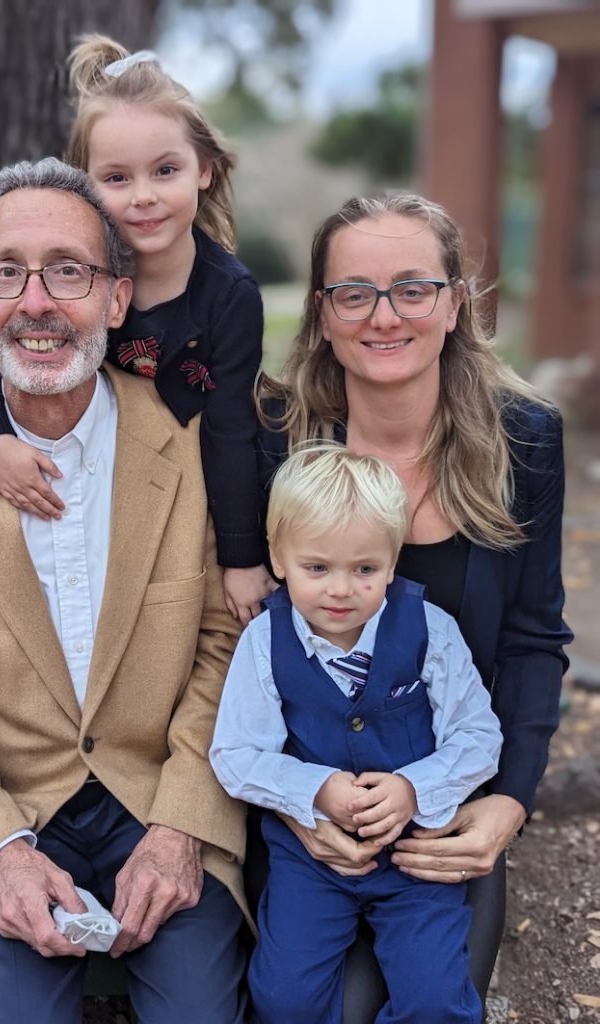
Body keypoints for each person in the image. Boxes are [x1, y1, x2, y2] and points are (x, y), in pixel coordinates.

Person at [0, 157, 249, 1024]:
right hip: (9, 804)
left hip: (164, 794)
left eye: (68, 269)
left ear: (115, 298)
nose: (35, 302)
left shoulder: (196, 446)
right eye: (6, 271)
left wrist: (180, 828)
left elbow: (230, 643)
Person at [255, 193, 573, 1022]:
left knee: (429, 1002)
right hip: (305, 812)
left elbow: (535, 639)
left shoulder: (524, 439)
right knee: (305, 1002)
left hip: (445, 804)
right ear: (322, 315)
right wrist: (292, 803)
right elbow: (241, 641)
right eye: (353, 292)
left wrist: (506, 802)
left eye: (411, 288)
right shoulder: (274, 442)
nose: (383, 315)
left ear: (453, 302)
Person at [0, 36, 274, 626]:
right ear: (86, 184)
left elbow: (230, 430)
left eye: (166, 170)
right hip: (92, 469)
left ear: (205, 169)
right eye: (118, 177)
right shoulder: (77, 278)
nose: (144, 196)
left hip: (190, 480)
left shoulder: (229, 296)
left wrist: (242, 557)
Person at [211, 443, 503, 1023]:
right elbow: (236, 753)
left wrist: (414, 789)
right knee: (283, 996)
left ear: (392, 562)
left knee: (436, 998)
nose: (341, 590)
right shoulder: (264, 644)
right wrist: (315, 789)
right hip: (311, 857)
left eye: (365, 570)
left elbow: (479, 735)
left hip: (418, 857)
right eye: (317, 568)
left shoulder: (429, 631)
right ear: (278, 556)